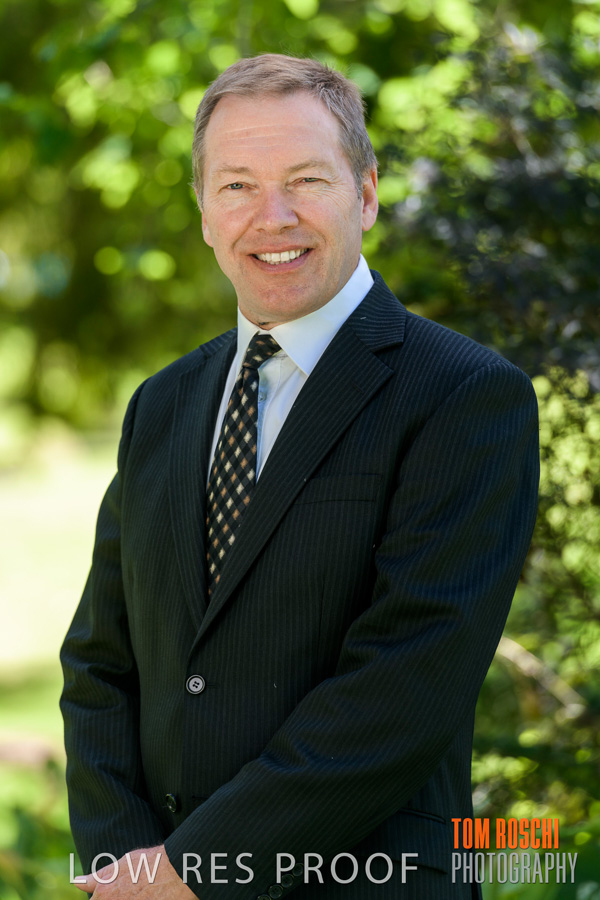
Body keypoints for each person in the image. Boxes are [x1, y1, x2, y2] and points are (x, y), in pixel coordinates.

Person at [60, 53, 539, 900]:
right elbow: (101, 662)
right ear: (205, 213)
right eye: (237, 186)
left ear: (366, 194)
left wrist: (196, 870)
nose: (271, 216)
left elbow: (405, 686)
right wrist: (125, 867)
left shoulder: (463, 395)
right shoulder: (161, 404)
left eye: (306, 180)